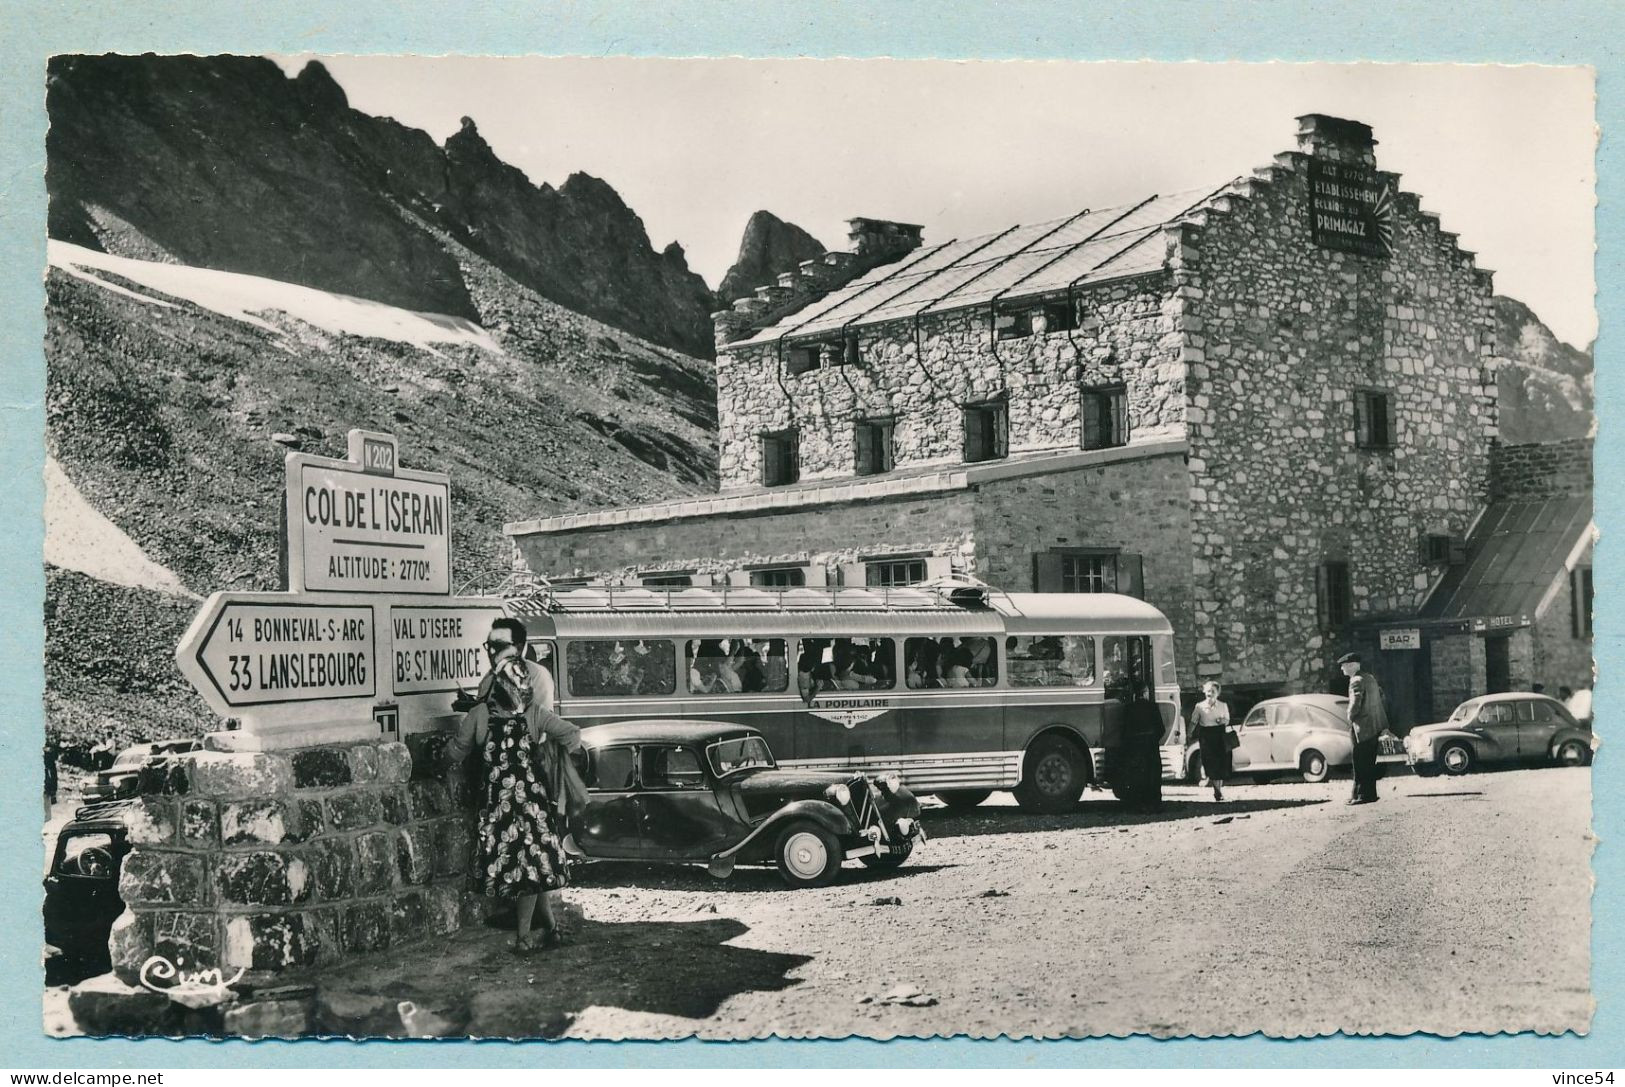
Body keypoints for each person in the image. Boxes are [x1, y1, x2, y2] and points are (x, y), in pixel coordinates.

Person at [445, 617, 584, 953]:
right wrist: (554, 753)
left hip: (499, 806)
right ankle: (549, 931)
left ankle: (525, 937)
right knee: (532, 869)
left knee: (524, 872)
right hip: (532, 804)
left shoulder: (478, 716)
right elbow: (573, 735)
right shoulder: (534, 715)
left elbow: (457, 752)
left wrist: (440, 754)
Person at [1340, 652, 1387, 805]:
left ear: (1352, 665)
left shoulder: (1356, 681)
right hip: (1374, 726)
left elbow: (1355, 704)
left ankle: (1361, 796)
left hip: (1361, 727)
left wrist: (1350, 716)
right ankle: (1368, 794)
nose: (1342, 669)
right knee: (1369, 761)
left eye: (1344, 666)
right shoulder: (1370, 678)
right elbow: (1382, 697)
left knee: (1359, 762)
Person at [1189, 680, 1233, 801]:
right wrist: (1189, 732)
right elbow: (1194, 721)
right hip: (1206, 737)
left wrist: (1221, 720)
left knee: (1220, 764)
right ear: (1204, 692)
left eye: (1212, 691)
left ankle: (1218, 791)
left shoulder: (1223, 705)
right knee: (1209, 763)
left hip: (1219, 735)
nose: (1210, 693)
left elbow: (1227, 720)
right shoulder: (1199, 706)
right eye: (1208, 691)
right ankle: (1217, 790)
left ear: (1217, 693)